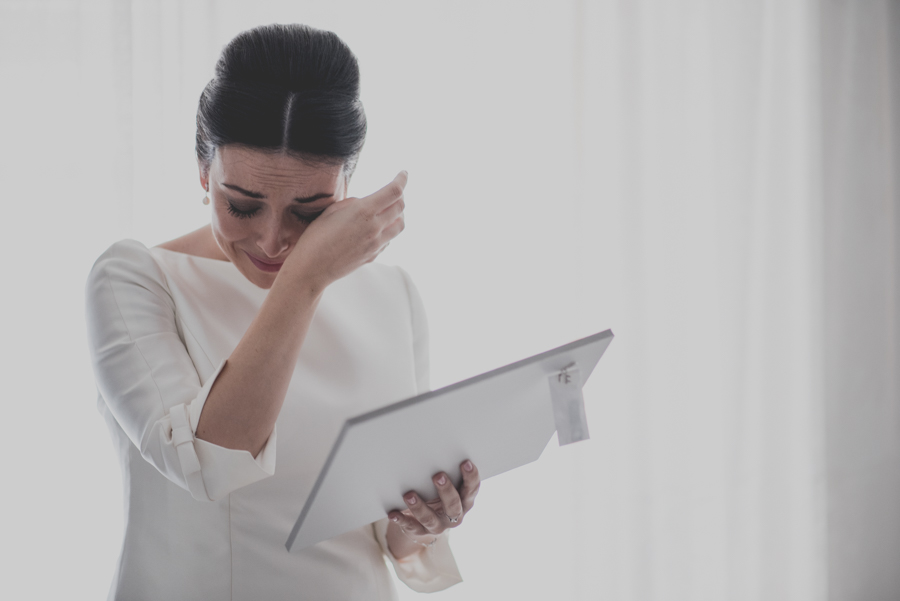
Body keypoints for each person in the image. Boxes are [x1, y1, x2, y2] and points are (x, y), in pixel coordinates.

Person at [84, 23, 480, 600]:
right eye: (241, 205)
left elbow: (382, 530)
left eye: (310, 212)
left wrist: (419, 519)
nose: (273, 242)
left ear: (348, 185)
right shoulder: (135, 281)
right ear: (204, 173)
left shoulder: (393, 295)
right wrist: (305, 279)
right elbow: (207, 464)